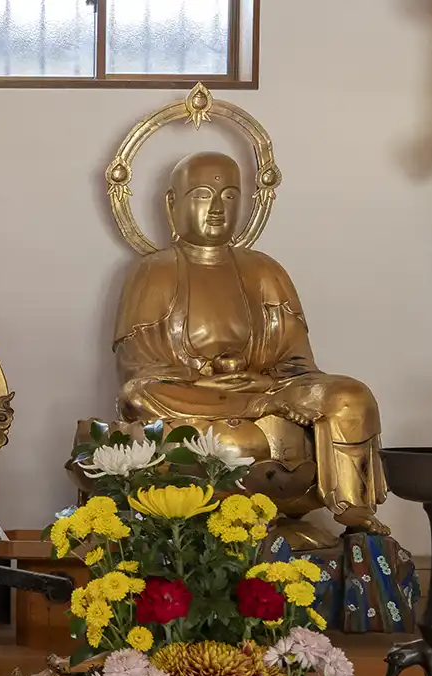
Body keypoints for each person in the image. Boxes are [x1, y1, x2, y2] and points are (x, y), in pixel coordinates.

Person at [115, 151, 387, 532]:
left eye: (228, 196)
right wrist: (229, 390)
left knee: (350, 396)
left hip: (266, 388)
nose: (215, 209)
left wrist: (273, 386)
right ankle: (248, 463)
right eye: (200, 195)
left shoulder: (263, 269)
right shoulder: (154, 272)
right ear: (172, 204)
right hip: (202, 401)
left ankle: (353, 508)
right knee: (143, 396)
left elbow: (298, 364)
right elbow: (140, 371)